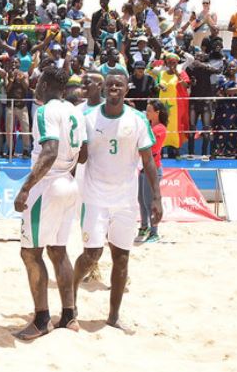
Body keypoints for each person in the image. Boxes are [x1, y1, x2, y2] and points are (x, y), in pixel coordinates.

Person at [74, 71, 163, 330]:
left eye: (119, 85)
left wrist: (156, 197)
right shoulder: (89, 117)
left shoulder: (137, 119)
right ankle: (71, 301)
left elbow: (148, 160)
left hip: (125, 199)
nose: (114, 87)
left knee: (121, 257)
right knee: (92, 254)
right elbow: (80, 156)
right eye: (110, 84)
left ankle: (113, 317)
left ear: (126, 89)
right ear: (104, 89)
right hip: (95, 196)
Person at [13, 66, 86, 340]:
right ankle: (69, 315)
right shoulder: (75, 111)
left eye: (38, 81)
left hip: (49, 184)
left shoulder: (45, 111)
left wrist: (25, 188)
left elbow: (49, 151)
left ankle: (42, 318)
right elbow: (84, 153)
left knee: (30, 253)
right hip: (69, 182)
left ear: (44, 84)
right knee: (58, 250)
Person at [137, 100, 168, 243]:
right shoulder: (150, 126)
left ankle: (154, 232)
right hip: (144, 168)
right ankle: (144, 226)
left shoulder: (159, 128)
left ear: (157, 113)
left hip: (153, 169)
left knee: (150, 201)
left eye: (149, 110)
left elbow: (152, 149)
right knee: (142, 200)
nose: (146, 112)